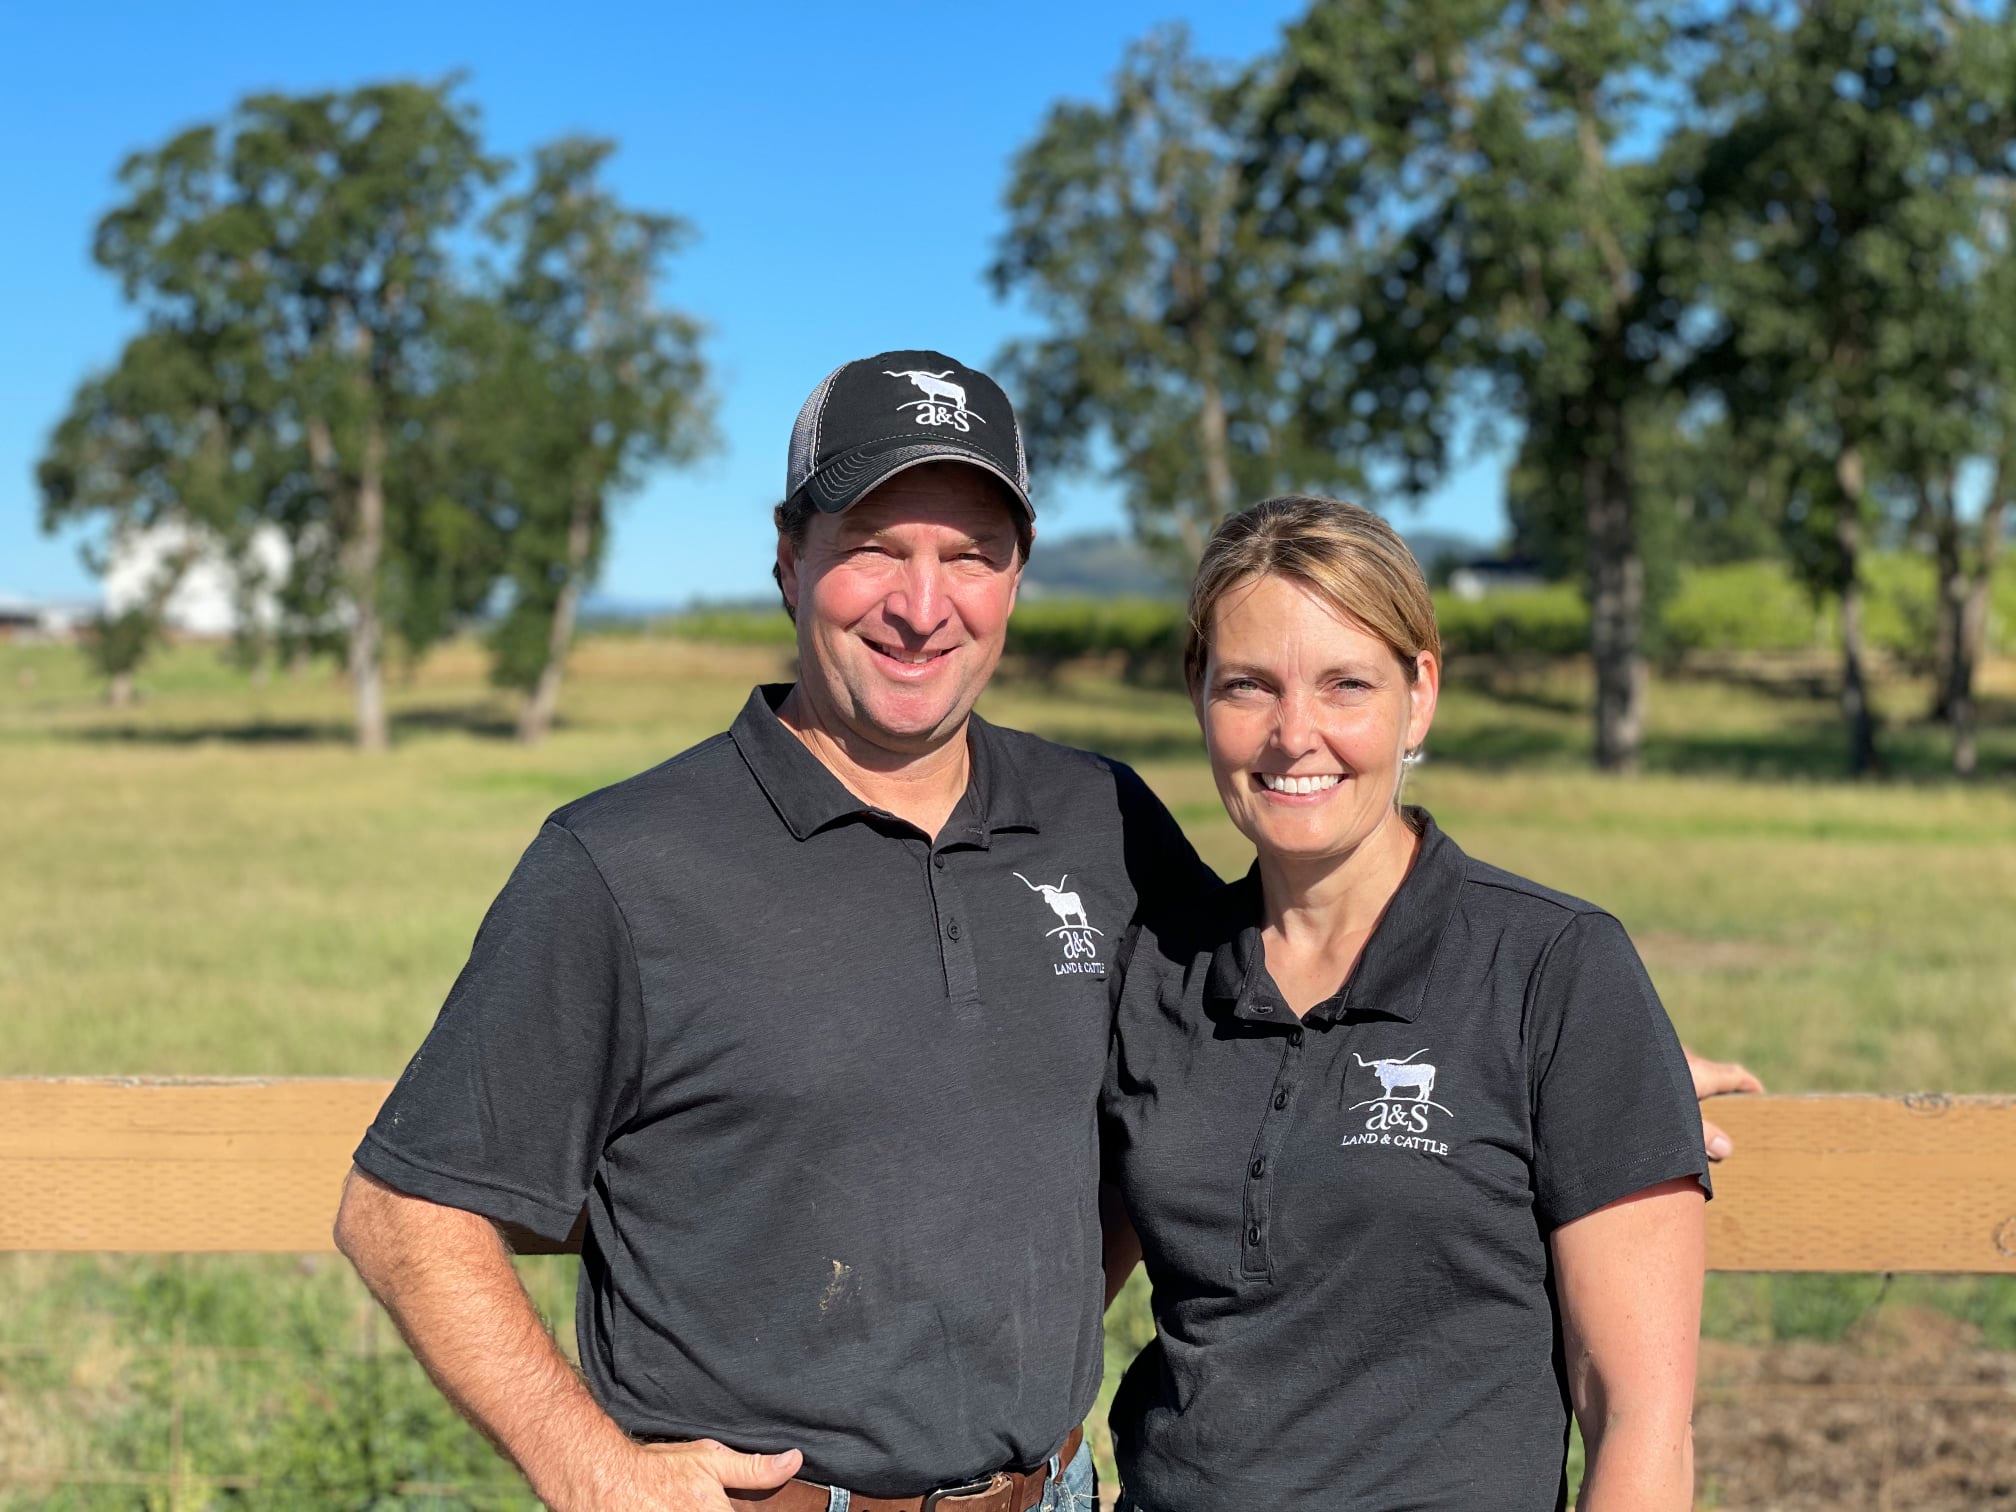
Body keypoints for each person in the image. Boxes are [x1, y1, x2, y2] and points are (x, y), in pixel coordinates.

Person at [332, 353, 1756, 1512]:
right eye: (871, 548)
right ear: (786, 561)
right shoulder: (623, 862)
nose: (920, 602)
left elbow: (1305, 983)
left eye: (972, 553)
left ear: (1017, 575)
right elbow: (400, 1209)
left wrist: (1589, 1059)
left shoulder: (1099, 821)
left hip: (1058, 1498)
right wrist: (584, 1466)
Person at [1101, 494, 1713, 1512]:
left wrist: (1629, 1085)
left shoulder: (1554, 967)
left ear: (1418, 695)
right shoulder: (1159, 974)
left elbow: (1636, 1417)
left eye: (1346, 684)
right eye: (1248, 685)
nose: (1295, 736)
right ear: (1198, 694)